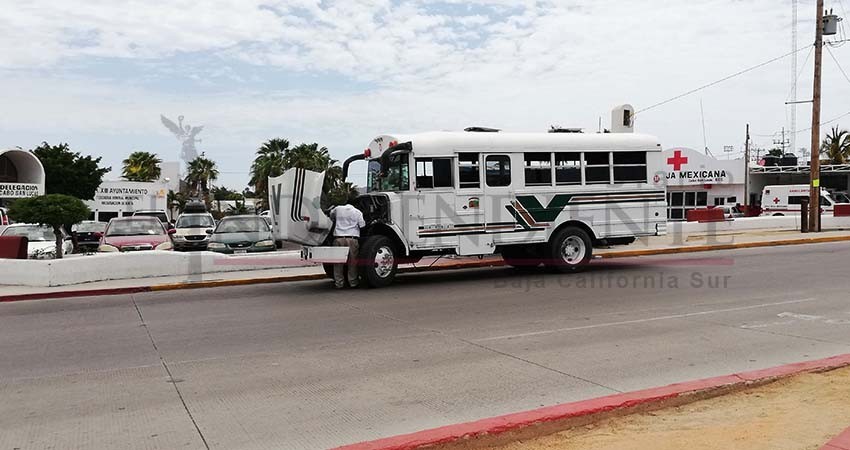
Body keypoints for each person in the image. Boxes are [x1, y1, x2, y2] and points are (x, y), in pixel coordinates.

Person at [330, 201, 366, 289]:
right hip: (352, 239)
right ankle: (353, 283)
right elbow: (362, 225)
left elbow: (331, 216)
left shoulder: (338, 209)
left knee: (338, 263)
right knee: (352, 262)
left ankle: (339, 283)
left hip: (338, 238)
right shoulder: (357, 212)